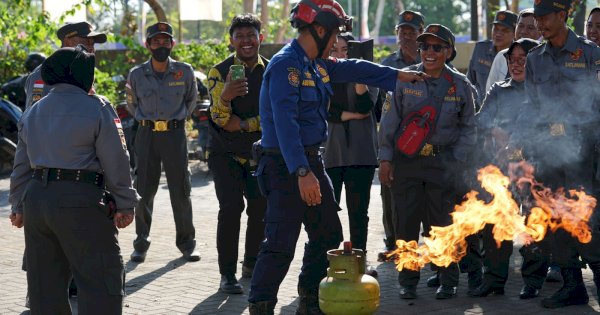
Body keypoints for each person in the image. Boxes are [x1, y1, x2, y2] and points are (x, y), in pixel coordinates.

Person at [246, 0, 427, 314]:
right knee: (280, 242)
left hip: (311, 162)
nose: (336, 42)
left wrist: (397, 76)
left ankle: (309, 299)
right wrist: (302, 172)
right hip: (285, 165)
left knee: (328, 233)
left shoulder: (316, 64)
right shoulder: (285, 65)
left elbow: (355, 68)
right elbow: (285, 123)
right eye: (334, 34)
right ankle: (260, 305)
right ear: (318, 29)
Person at [8, 45, 139, 314]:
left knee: (45, 288)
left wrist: (17, 207)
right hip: (81, 200)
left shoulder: (33, 111)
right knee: (101, 282)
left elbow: (20, 166)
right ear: (81, 75)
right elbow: (116, 160)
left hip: (37, 201)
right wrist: (125, 204)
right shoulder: (98, 107)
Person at [379, 24, 477, 300]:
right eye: (424, 46)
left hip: (443, 164)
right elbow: (388, 124)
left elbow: (469, 128)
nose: (429, 52)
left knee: (443, 225)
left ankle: (448, 280)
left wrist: (456, 161)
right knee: (406, 224)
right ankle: (408, 281)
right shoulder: (404, 79)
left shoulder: (460, 85)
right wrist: (385, 160)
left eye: (437, 47)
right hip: (407, 163)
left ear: (448, 51)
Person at [524, 0, 600, 308]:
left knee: (588, 219)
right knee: (556, 220)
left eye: (545, 17)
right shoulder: (534, 58)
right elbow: (531, 107)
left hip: (585, 151)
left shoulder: (591, 53)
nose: (540, 23)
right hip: (549, 152)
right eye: (537, 18)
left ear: (562, 15)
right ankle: (572, 286)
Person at [470, 38, 549, 299]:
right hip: (500, 171)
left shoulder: (540, 93)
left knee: (532, 226)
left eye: (522, 59)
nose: (516, 65)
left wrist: (513, 144)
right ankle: (493, 279)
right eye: (512, 59)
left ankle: (533, 280)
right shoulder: (498, 90)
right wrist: (495, 130)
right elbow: (481, 119)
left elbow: (538, 131)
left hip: (532, 170)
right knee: (495, 223)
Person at [126, 22, 199, 263]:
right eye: (155, 41)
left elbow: (191, 101)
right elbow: (132, 104)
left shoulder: (184, 71)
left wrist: (175, 122)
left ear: (172, 44)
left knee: (181, 190)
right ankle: (141, 243)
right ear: (147, 45)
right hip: (146, 135)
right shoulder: (137, 74)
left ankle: (187, 244)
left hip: (174, 135)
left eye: (165, 41)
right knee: (143, 190)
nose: (161, 45)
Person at [206, 13, 267, 294]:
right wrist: (226, 95)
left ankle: (251, 265)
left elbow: (273, 116)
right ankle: (227, 274)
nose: (246, 41)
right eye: (240, 36)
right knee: (230, 210)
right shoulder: (219, 72)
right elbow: (219, 120)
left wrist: (243, 124)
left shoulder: (271, 71)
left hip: (259, 154)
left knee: (260, 209)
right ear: (231, 40)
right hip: (225, 154)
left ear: (260, 38)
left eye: (250, 35)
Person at [324, 33, 379, 277]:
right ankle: (327, 263)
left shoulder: (367, 74)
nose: (339, 54)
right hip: (331, 154)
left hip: (360, 154)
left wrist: (358, 79)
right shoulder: (320, 76)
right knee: (327, 214)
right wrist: (348, 114)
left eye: (345, 49)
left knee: (359, 214)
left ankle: (359, 262)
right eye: (334, 49)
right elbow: (325, 111)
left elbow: (366, 107)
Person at [377, 10, 424, 261]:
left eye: (412, 32)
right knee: (389, 196)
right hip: (395, 141)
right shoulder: (386, 65)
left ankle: (417, 246)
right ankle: (392, 242)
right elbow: (378, 107)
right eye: (402, 31)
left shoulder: (431, 61)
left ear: (420, 34)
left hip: (423, 144)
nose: (406, 36)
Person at [24, 21, 107, 108]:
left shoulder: (81, 73)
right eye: (86, 42)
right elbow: (34, 115)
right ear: (67, 42)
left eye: (92, 43)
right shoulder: (42, 74)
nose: (91, 48)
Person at [467, 10, 517, 106]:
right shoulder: (480, 49)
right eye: (496, 29)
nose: (498, 34)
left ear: (514, 33)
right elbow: (470, 81)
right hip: (479, 109)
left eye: (505, 30)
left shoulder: (518, 55)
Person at [485, 8, 541, 93]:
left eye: (530, 27)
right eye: (521, 26)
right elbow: (489, 92)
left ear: (541, 31)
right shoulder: (502, 56)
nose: (523, 31)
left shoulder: (545, 58)